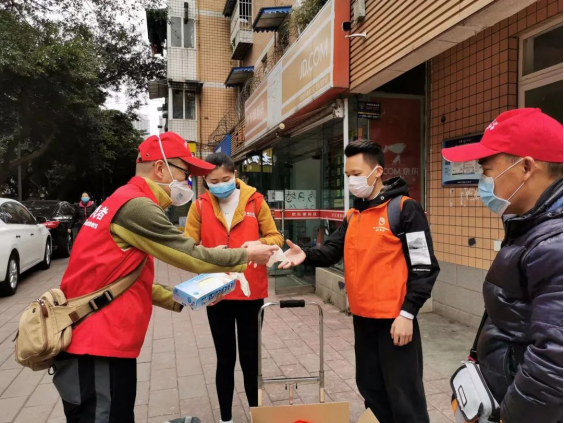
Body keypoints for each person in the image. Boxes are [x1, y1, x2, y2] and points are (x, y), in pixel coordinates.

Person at [53, 132, 278, 423]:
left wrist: (180, 298)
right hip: (97, 342)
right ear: (160, 169)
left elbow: (126, 280)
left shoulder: (124, 199)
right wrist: (245, 256)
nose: (186, 183)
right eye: (185, 174)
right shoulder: (138, 206)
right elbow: (189, 253)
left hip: (101, 340)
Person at [280, 140, 440, 423]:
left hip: (395, 321)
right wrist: (305, 254)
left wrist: (408, 313)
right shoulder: (354, 215)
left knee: (404, 396)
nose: (351, 180)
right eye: (347, 175)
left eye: (356, 173)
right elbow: (332, 251)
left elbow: (424, 267)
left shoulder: (405, 209)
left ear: (377, 171)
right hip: (363, 319)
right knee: (371, 389)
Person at [442, 108, 563, 423]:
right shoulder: (530, 225)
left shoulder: (555, 244)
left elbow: (554, 362)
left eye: (487, 170)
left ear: (526, 167)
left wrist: (511, 416)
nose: (482, 181)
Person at [185, 153, 283, 423]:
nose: (220, 186)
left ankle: (256, 416)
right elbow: (187, 247)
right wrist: (208, 254)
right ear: (205, 181)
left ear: (235, 175)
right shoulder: (199, 206)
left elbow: (275, 236)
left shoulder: (255, 200)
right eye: (214, 182)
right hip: (217, 293)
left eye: (225, 179)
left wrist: (259, 244)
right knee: (225, 359)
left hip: (252, 293)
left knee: (251, 360)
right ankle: (225, 419)